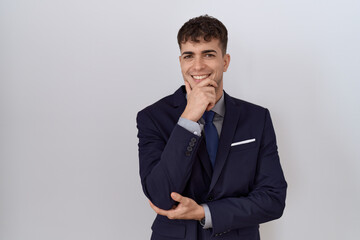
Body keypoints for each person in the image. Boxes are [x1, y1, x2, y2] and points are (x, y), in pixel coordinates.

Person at [136, 15, 287, 240]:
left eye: (208, 54)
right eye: (189, 56)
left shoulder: (257, 118)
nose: (198, 66)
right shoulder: (152, 118)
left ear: (225, 62)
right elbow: (160, 196)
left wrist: (204, 212)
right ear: (180, 62)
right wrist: (188, 119)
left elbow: (273, 199)